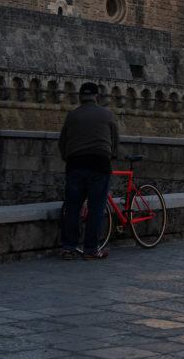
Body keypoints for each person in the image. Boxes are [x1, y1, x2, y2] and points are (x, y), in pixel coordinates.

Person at [59, 82, 119, 260]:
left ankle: (68, 248)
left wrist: (67, 157)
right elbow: (115, 141)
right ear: (97, 97)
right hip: (99, 165)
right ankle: (91, 248)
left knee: (72, 208)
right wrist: (111, 156)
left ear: (80, 98)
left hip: (75, 165)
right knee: (96, 208)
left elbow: (62, 141)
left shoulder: (72, 116)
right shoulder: (107, 115)